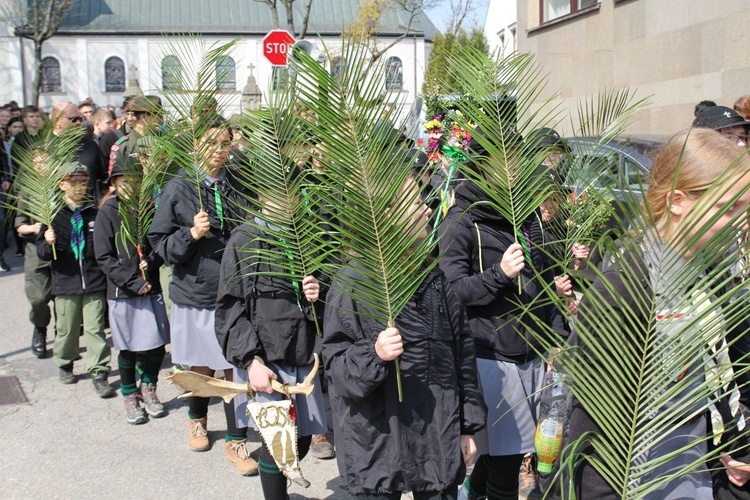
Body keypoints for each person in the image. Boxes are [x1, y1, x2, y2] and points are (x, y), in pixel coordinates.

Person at [569, 128, 750, 499]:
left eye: (743, 209)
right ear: (678, 200)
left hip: (701, 468)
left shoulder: (713, 275)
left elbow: (725, 371)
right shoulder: (626, 287)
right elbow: (591, 423)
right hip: (640, 479)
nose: (739, 221)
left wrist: (739, 443)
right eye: (727, 208)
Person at [322, 162, 487, 499]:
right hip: (377, 442)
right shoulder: (351, 283)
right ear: (386, 215)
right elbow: (336, 367)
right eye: (415, 203)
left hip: (436, 436)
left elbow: (463, 357)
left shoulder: (435, 280)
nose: (426, 208)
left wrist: (467, 427)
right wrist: (375, 354)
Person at [438, 138, 568, 500]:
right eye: (505, 162)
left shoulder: (526, 217)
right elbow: (452, 291)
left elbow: (544, 282)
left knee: (501, 453)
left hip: (529, 351)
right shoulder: (461, 221)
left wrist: (555, 337)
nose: (514, 171)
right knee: (508, 458)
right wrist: (499, 274)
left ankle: (469, 494)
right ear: (484, 166)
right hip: (489, 354)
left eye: (517, 162)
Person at [148, 115, 257, 475]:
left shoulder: (239, 182)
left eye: (225, 144)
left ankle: (236, 440)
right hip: (196, 291)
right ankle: (197, 418)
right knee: (201, 365)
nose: (218, 152)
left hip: (234, 290)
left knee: (234, 367)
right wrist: (191, 234)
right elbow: (159, 246)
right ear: (196, 145)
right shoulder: (179, 187)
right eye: (211, 143)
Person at [215, 163, 330, 498]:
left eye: (294, 193)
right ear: (263, 197)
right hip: (265, 361)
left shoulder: (308, 237)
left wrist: (318, 294)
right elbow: (229, 308)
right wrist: (250, 362)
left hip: (302, 357)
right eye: (281, 193)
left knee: (302, 439)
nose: (289, 201)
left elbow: (331, 297)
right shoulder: (244, 240)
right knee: (276, 440)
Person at [94, 155, 170, 424]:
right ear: (114, 183)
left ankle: (149, 387)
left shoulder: (148, 208)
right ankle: (130, 394)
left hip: (151, 287)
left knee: (157, 345)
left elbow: (159, 244)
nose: (129, 187)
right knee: (128, 348)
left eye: (135, 182)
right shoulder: (108, 211)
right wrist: (133, 281)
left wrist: (152, 260)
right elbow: (104, 257)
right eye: (124, 182)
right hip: (124, 291)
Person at [36, 161, 114, 397]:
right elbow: (42, 254)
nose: (79, 187)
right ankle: (65, 362)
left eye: (82, 183)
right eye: (73, 183)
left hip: (93, 281)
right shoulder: (52, 216)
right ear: (62, 185)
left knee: (95, 329)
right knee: (68, 329)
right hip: (66, 282)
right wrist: (47, 242)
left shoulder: (94, 212)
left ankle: (99, 371)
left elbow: (102, 246)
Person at [15, 149, 54, 357]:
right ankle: (40, 328)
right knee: (38, 298)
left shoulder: (61, 187)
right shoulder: (28, 192)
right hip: (35, 250)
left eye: (46, 161)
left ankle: (65, 338)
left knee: (64, 298)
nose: (42, 166)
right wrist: (33, 228)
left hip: (59, 249)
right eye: (38, 162)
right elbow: (19, 226)